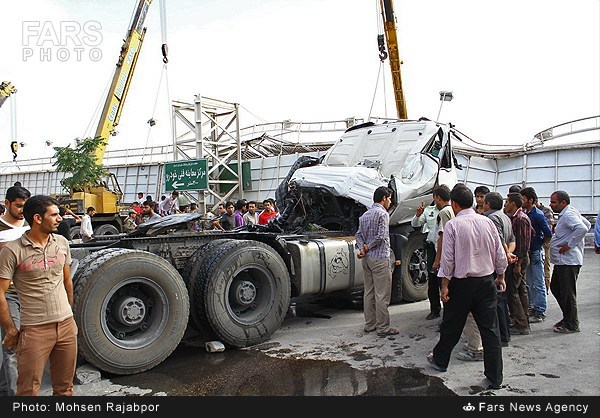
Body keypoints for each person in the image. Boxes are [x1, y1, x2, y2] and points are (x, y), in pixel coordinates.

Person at [427, 184, 507, 390]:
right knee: (490, 330)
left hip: (461, 284)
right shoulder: (487, 222)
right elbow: (499, 253)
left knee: (451, 326)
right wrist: (500, 275)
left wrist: (444, 285)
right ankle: (495, 377)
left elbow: (448, 259)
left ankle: (440, 360)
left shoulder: (454, 225)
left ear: (454, 203)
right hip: (486, 282)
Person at [0, 195, 77, 396]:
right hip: (34, 330)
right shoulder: (12, 250)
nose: (60, 218)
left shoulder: (61, 242)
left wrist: (70, 314)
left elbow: (67, 281)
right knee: (27, 391)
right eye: (54, 215)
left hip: (66, 327)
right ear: (37, 218)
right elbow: (0, 291)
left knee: (65, 389)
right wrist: (10, 329)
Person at [458, 192, 515, 361]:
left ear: (488, 204)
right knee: (499, 306)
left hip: (484, 272)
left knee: (483, 313)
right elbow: (510, 240)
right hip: (495, 268)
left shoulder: (489, 219)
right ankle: (503, 337)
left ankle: (479, 348)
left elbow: (498, 244)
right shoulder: (505, 217)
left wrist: (502, 266)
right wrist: (507, 258)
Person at [355, 186, 399, 337]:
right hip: (380, 258)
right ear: (384, 198)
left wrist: (362, 248)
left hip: (367, 259)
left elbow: (358, 235)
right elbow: (381, 236)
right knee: (382, 294)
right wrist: (368, 246)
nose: (390, 202)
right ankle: (383, 327)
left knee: (369, 292)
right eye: (390, 198)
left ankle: (370, 324)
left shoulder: (364, 215)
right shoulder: (383, 214)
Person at [0, 185, 31, 396]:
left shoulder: (31, 226)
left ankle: (5, 388)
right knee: (12, 345)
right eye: (19, 206)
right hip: (7, 293)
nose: (22, 211)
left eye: (25, 207)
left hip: (30, 293)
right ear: (7, 203)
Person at [548, 190, 591, 334]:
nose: (551, 205)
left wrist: (570, 244)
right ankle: (568, 317)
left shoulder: (568, 214)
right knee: (556, 287)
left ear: (563, 203)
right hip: (563, 261)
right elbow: (586, 224)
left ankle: (572, 323)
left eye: (554, 202)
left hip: (568, 261)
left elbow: (583, 228)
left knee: (567, 292)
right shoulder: (568, 213)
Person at [520, 187, 553, 323]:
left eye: (523, 199)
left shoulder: (538, 215)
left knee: (538, 282)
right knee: (530, 281)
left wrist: (540, 244)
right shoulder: (526, 212)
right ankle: (534, 306)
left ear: (531, 200)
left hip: (535, 251)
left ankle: (540, 310)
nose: (522, 201)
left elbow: (548, 233)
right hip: (529, 251)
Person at [503, 193, 532, 336]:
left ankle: (522, 324)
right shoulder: (516, 217)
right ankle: (522, 320)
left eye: (507, 202)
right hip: (519, 258)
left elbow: (523, 243)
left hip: (519, 259)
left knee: (512, 291)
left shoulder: (520, 219)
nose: (505, 204)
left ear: (513, 203)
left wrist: (518, 264)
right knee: (520, 289)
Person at [411, 194, 439, 320]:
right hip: (432, 248)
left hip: (446, 249)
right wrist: (417, 215)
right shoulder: (429, 211)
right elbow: (416, 224)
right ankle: (435, 310)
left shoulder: (450, 210)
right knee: (432, 281)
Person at [536, 199, 555, 292]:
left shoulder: (546, 211)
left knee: (545, 267)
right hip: (536, 243)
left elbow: (549, 229)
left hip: (544, 243)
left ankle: (545, 288)